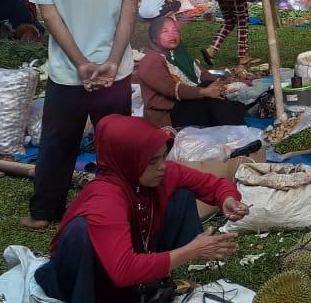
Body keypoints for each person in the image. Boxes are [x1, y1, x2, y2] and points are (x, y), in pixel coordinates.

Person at [23, 0, 144, 230]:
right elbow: (129, 14)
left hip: (67, 72)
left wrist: (80, 64)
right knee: (113, 142)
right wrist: (110, 61)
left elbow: (49, 17)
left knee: (58, 141)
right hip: (113, 72)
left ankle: (44, 212)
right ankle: (118, 206)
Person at [34, 115, 248, 301]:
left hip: (130, 257)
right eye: (153, 161)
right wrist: (191, 251)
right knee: (82, 231)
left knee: (181, 193)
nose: (162, 166)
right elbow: (122, 270)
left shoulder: (162, 173)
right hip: (87, 276)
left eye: (164, 156)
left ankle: (149, 279)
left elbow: (213, 184)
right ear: (127, 159)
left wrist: (227, 199)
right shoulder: (106, 198)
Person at [139, 16, 246, 129]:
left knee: (213, 94)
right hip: (168, 115)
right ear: (154, 36)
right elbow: (172, 89)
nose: (172, 35)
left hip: (185, 103)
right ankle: (236, 127)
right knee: (210, 100)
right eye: (165, 31)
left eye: (175, 30)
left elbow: (200, 71)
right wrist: (203, 92)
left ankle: (234, 124)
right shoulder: (150, 61)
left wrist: (218, 84)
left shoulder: (177, 51)